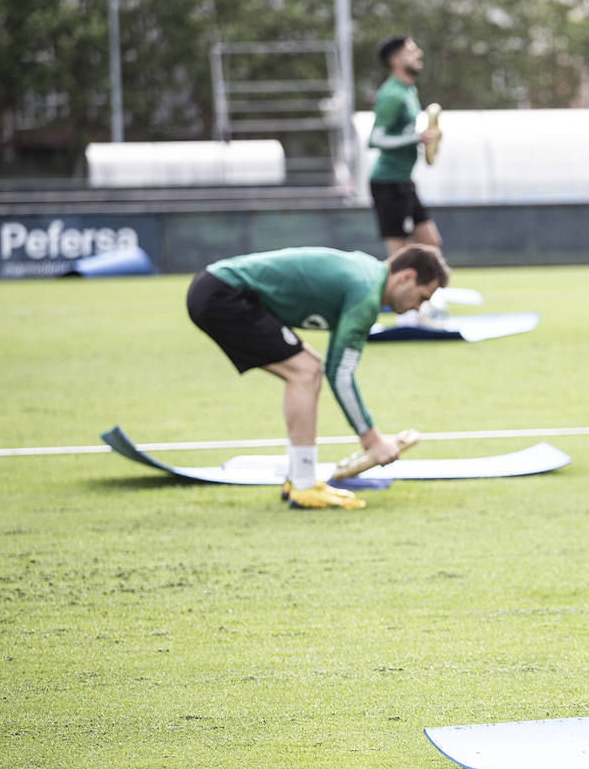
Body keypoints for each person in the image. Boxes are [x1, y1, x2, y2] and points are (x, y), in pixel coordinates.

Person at [186, 244, 450, 509]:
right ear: (406, 276)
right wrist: (373, 441)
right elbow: (341, 375)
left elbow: (335, 366)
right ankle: (303, 485)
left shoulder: (368, 279)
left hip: (217, 289)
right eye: (422, 297)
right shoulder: (366, 294)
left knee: (308, 369)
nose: (418, 307)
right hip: (223, 294)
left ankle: (298, 479)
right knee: (305, 371)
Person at [369, 34, 442, 257]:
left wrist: (432, 137)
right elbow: (375, 139)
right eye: (411, 51)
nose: (418, 54)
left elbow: (409, 133)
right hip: (387, 183)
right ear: (396, 61)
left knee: (431, 246)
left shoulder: (409, 90)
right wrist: (416, 138)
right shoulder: (391, 94)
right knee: (400, 255)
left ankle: (433, 292)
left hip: (404, 180)